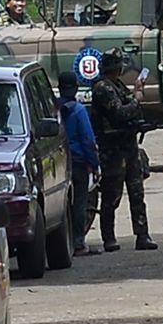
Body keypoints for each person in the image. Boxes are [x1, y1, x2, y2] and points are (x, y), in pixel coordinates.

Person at [91, 48, 157, 252]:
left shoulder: (116, 85)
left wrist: (136, 93)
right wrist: (137, 99)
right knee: (112, 195)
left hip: (128, 146)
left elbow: (128, 105)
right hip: (113, 150)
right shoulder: (103, 88)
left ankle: (142, 235)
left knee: (137, 193)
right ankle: (109, 238)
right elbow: (119, 113)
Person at [57, 71, 101, 256]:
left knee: (63, 204)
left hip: (59, 162)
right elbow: (87, 140)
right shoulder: (78, 110)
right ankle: (78, 244)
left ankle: (64, 243)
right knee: (80, 202)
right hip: (78, 163)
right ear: (75, 88)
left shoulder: (53, 109)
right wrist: (95, 164)